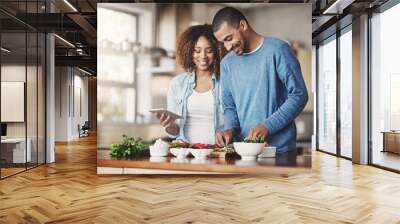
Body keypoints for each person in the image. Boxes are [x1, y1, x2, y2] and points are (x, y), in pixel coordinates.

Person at [212, 7, 308, 153]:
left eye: (229, 39)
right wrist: (229, 130)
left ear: (243, 25)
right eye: (222, 42)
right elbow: (230, 107)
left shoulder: (278, 50)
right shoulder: (227, 64)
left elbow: (299, 95)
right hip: (243, 152)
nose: (227, 47)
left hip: (279, 152)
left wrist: (267, 126)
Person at [155, 24, 224, 144]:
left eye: (209, 51)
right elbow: (175, 131)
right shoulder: (177, 84)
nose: (203, 56)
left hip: (217, 152)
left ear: (216, 52)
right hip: (186, 152)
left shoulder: (226, 83)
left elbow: (235, 122)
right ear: (188, 52)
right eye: (196, 51)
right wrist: (169, 125)